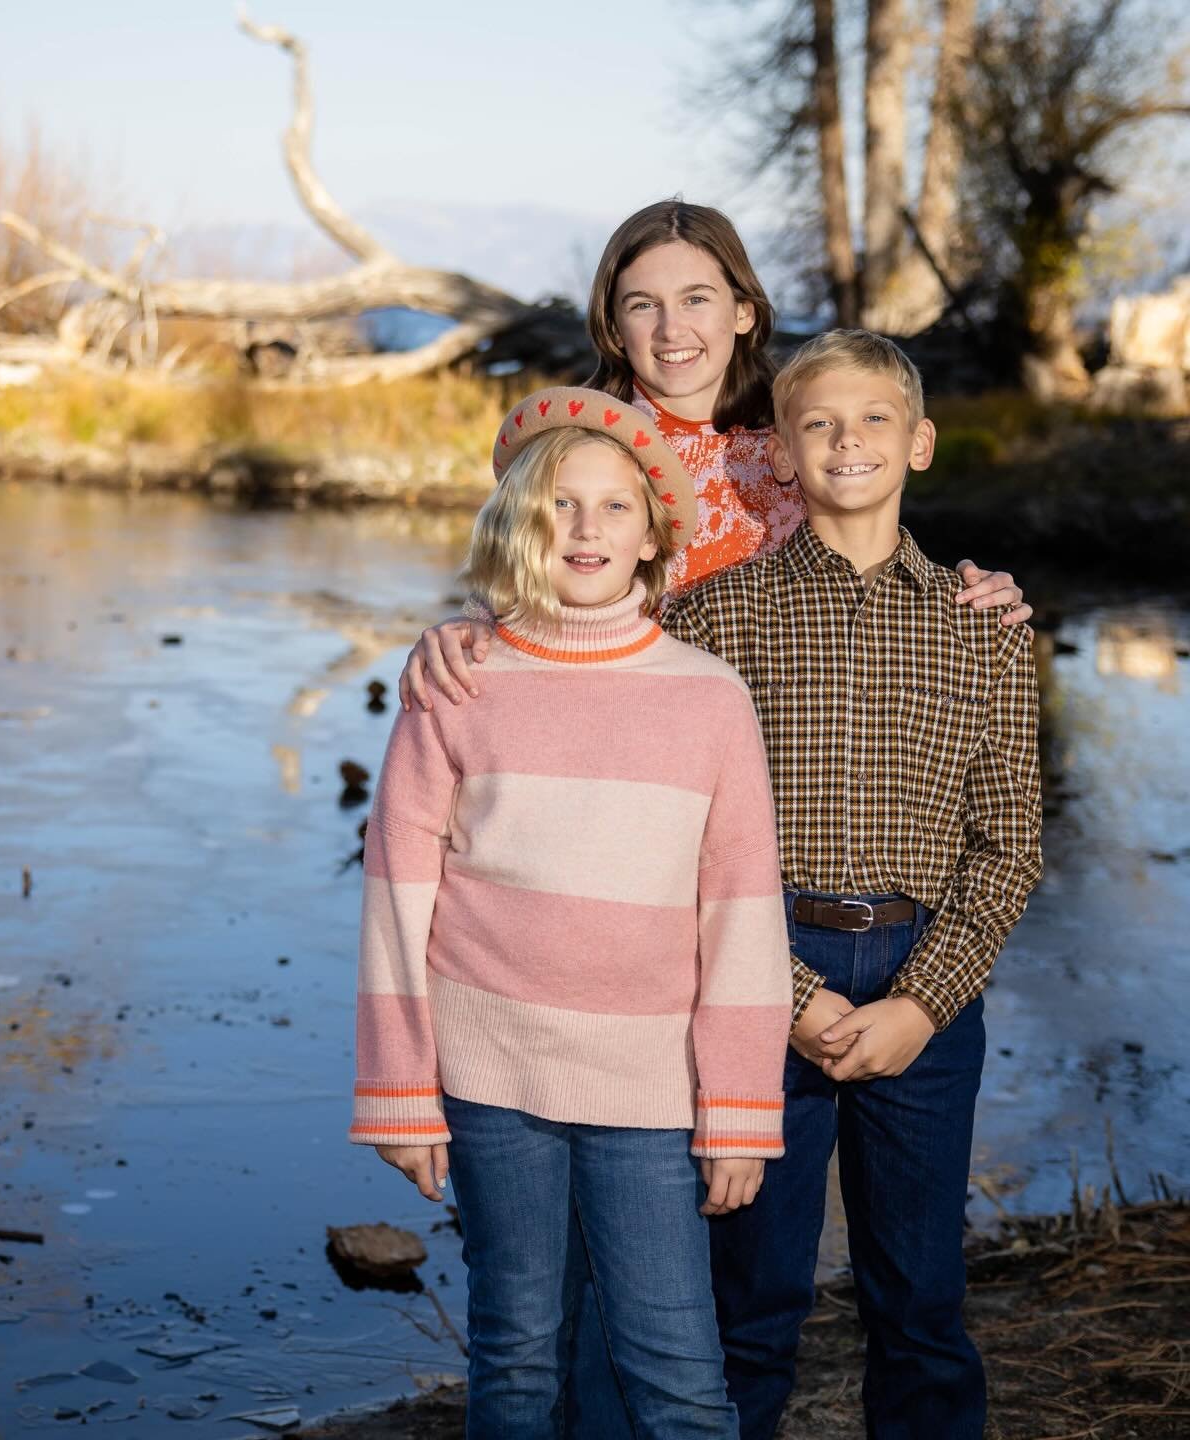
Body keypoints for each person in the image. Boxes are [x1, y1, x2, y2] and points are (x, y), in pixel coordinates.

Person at [350, 388, 792, 1438]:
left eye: (614, 507)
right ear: (519, 523)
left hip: (649, 1085)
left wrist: (739, 1106)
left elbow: (741, 913)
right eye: (559, 504)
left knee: (677, 1369)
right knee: (515, 1352)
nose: (586, 529)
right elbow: (397, 897)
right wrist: (398, 1091)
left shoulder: (710, 699)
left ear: (653, 538)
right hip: (490, 1078)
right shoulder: (457, 684)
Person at [659, 330, 1044, 1438]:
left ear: (919, 443)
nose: (847, 441)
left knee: (920, 1301)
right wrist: (788, 995)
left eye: (875, 418)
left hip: (927, 977)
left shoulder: (986, 630)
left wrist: (922, 1005)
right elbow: (682, 842)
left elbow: (1009, 846)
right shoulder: (714, 618)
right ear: (781, 455)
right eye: (818, 423)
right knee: (751, 1301)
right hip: (763, 971)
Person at [397, 199, 1031, 715]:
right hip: (608, 728)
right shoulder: (575, 450)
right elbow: (511, 583)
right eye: (643, 305)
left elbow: (868, 565)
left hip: (783, 759)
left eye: (696, 298)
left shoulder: (803, 440)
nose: (672, 329)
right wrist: (461, 633)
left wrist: (968, 595)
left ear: (744, 312)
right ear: (614, 327)